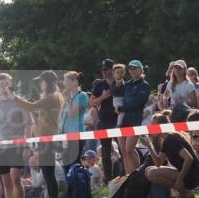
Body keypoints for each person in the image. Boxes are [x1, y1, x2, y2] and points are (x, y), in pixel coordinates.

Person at [14, 70, 65, 198]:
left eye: (41, 81)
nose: (39, 83)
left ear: (47, 82)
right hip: (44, 139)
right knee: (48, 174)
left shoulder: (53, 97)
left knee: (49, 175)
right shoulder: (50, 97)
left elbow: (31, 107)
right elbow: (36, 116)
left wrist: (15, 97)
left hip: (48, 139)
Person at [0, 73, 30, 198]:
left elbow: (28, 125)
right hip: (0, 148)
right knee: (6, 182)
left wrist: (26, 146)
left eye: (5, 83)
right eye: (0, 84)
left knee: (15, 177)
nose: (3, 86)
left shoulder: (20, 102)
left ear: (10, 84)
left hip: (17, 145)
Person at [140, 113, 199, 198]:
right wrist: (149, 146)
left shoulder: (172, 138)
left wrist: (180, 179)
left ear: (161, 126)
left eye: (153, 126)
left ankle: (184, 193)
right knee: (148, 170)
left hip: (192, 175)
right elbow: (158, 163)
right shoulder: (166, 140)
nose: (151, 128)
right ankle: (184, 193)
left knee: (151, 173)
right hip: (185, 173)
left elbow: (189, 158)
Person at [90, 59, 121, 188]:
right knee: (105, 152)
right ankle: (108, 179)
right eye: (102, 69)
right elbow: (92, 103)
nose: (104, 72)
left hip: (119, 121)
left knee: (123, 149)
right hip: (104, 121)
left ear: (112, 69)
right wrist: (103, 97)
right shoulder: (99, 85)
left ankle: (124, 174)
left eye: (106, 69)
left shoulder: (120, 82)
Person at [121, 60, 151, 174]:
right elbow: (120, 98)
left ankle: (139, 173)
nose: (132, 71)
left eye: (135, 68)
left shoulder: (144, 85)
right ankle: (130, 176)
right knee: (124, 152)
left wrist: (122, 108)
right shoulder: (127, 84)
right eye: (130, 69)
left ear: (141, 69)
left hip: (136, 120)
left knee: (129, 149)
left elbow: (138, 103)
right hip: (123, 120)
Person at [60, 71, 89, 174]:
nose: (64, 84)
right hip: (65, 135)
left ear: (74, 82)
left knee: (74, 163)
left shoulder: (82, 96)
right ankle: (71, 188)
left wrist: (67, 100)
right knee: (66, 163)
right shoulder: (69, 98)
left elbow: (72, 114)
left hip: (76, 134)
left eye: (66, 81)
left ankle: (78, 187)